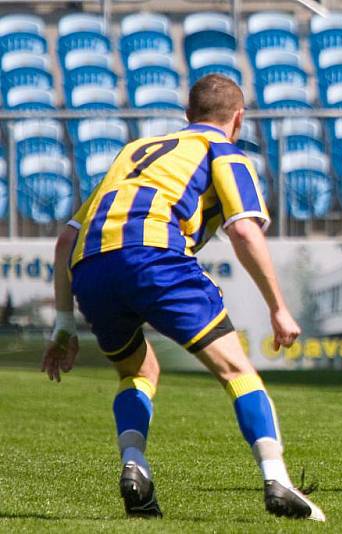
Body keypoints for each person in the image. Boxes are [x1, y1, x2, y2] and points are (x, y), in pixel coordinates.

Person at [40, 74, 325, 521]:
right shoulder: (222, 151)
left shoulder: (133, 152)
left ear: (187, 116)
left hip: (92, 267)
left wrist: (62, 322)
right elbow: (244, 229)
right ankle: (278, 480)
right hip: (156, 257)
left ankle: (135, 466)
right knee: (237, 370)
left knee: (139, 369)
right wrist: (278, 307)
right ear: (238, 119)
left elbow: (64, 240)